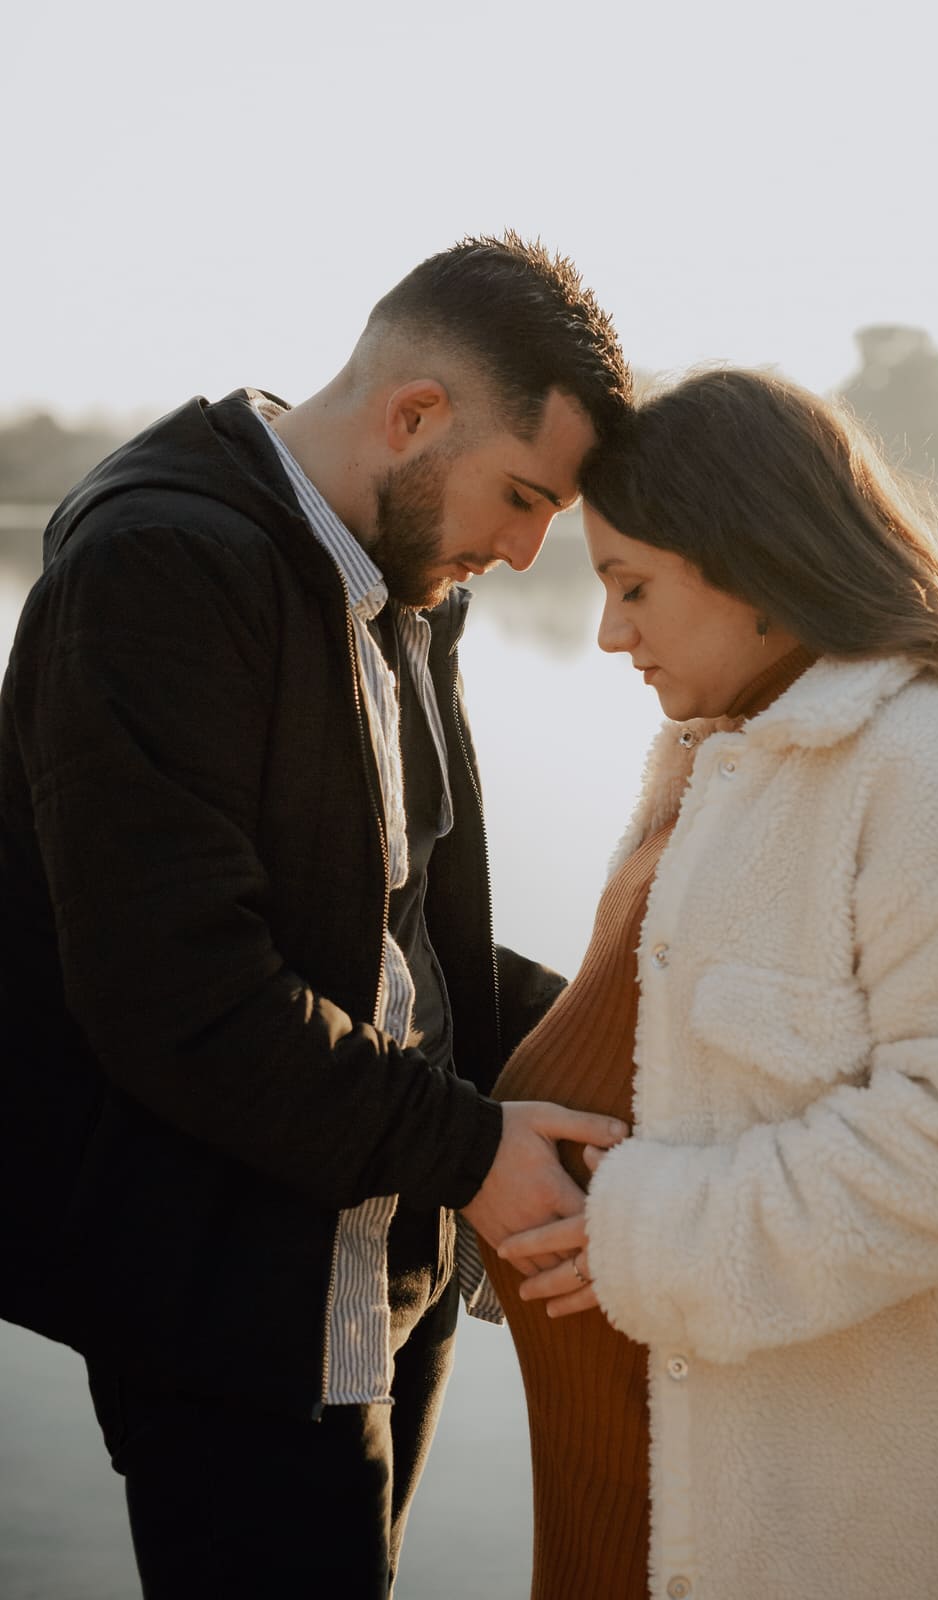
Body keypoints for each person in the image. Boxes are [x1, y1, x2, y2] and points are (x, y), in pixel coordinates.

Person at [0, 233, 633, 1599]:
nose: (526, 552)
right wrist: (473, 1147)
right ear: (414, 415)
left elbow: (396, 939)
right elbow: (178, 997)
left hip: (395, 1260)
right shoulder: (157, 569)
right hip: (229, 1299)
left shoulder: (399, 581)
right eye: (523, 498)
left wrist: (639, 1039)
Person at [485, 367, 938, 1600]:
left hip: (802, 1516)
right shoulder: (717, 751)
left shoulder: (926, 756)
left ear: (747, 563)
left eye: (631, 586)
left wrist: (647, 1237)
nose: (609, 634)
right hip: (619, 1463)